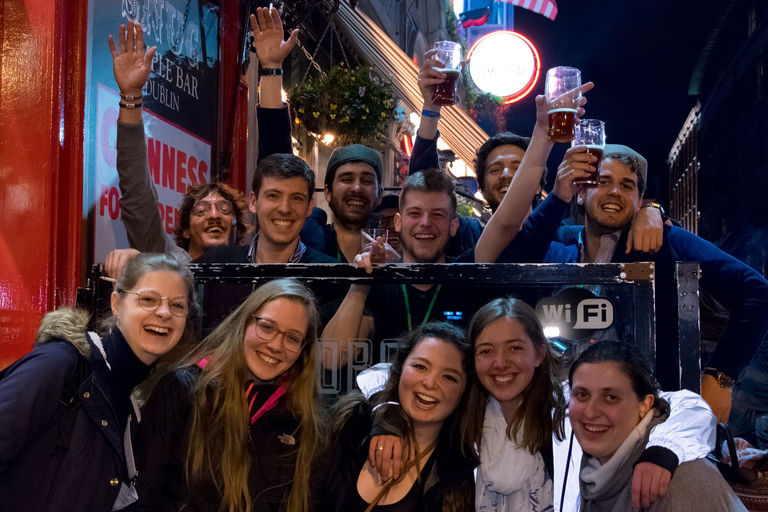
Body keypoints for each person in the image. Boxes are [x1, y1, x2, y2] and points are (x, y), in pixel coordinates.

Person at [366, 298, 714, 512]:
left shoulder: (571, 406)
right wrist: (388, 414)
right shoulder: (466, 406)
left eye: (515, 348)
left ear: (539, 353)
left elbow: (686, 404)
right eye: (486, 351)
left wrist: (664, 450)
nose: (500, 363)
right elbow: (379, 376)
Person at [512, 143, 768, 422]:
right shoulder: (560, 244)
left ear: (639, 199)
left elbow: (756, 291)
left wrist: (721, 375)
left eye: (627, 186)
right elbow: (514, 262)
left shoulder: (664, 241)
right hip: (556, 416)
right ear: (581, 193)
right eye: (603, 181)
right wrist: (560, 197)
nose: (614, 191)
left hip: (646, 418)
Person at [412, 49, 664, 257]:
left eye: (519, 167)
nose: (508, 175)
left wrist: (651, 212)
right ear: (480, 183)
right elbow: (424, 189)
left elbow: (614, 223)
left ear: (535, 182)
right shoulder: (465, 234)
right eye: (495, 169)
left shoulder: (562, 238)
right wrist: (431, 108)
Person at [0, 252, 196, 512]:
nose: (163, 312)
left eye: (177, 305)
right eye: (148, 299)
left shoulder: (130, 408)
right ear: (116, 303)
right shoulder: (60, 364)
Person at [131, 278, 325, 512]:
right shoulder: (185, 389)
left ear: (303, 351)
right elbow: (142, 495)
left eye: (292, 338)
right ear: (244, 323)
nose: (276, 345)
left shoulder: (303, 420)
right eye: (267, 327)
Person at [106, 21, 249, 269]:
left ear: (238, 226)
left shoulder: (251, 274)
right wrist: (131, 95)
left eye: (225, 210)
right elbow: (137, 193)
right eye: (202, 210)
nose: (214, 215)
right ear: (184, 231)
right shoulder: (169, 264)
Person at [569, 340, 747, 511]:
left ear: (645, 405)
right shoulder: (595, 463)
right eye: (582, 395)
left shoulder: (668, 483)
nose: (591, 412)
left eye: (611, 398)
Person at [318, 322, 477, 511]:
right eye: (420, 366)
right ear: (399, 369)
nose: (430, 383)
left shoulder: (458, 477)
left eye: (449, 377)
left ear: (464, 392)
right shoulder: (350, 425)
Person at [194, 153, 337, 264]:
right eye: (273, 196)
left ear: (309, 206)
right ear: (253, 202)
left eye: (297, 198)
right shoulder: (217, 263)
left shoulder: (332, 276)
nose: (285, 208)